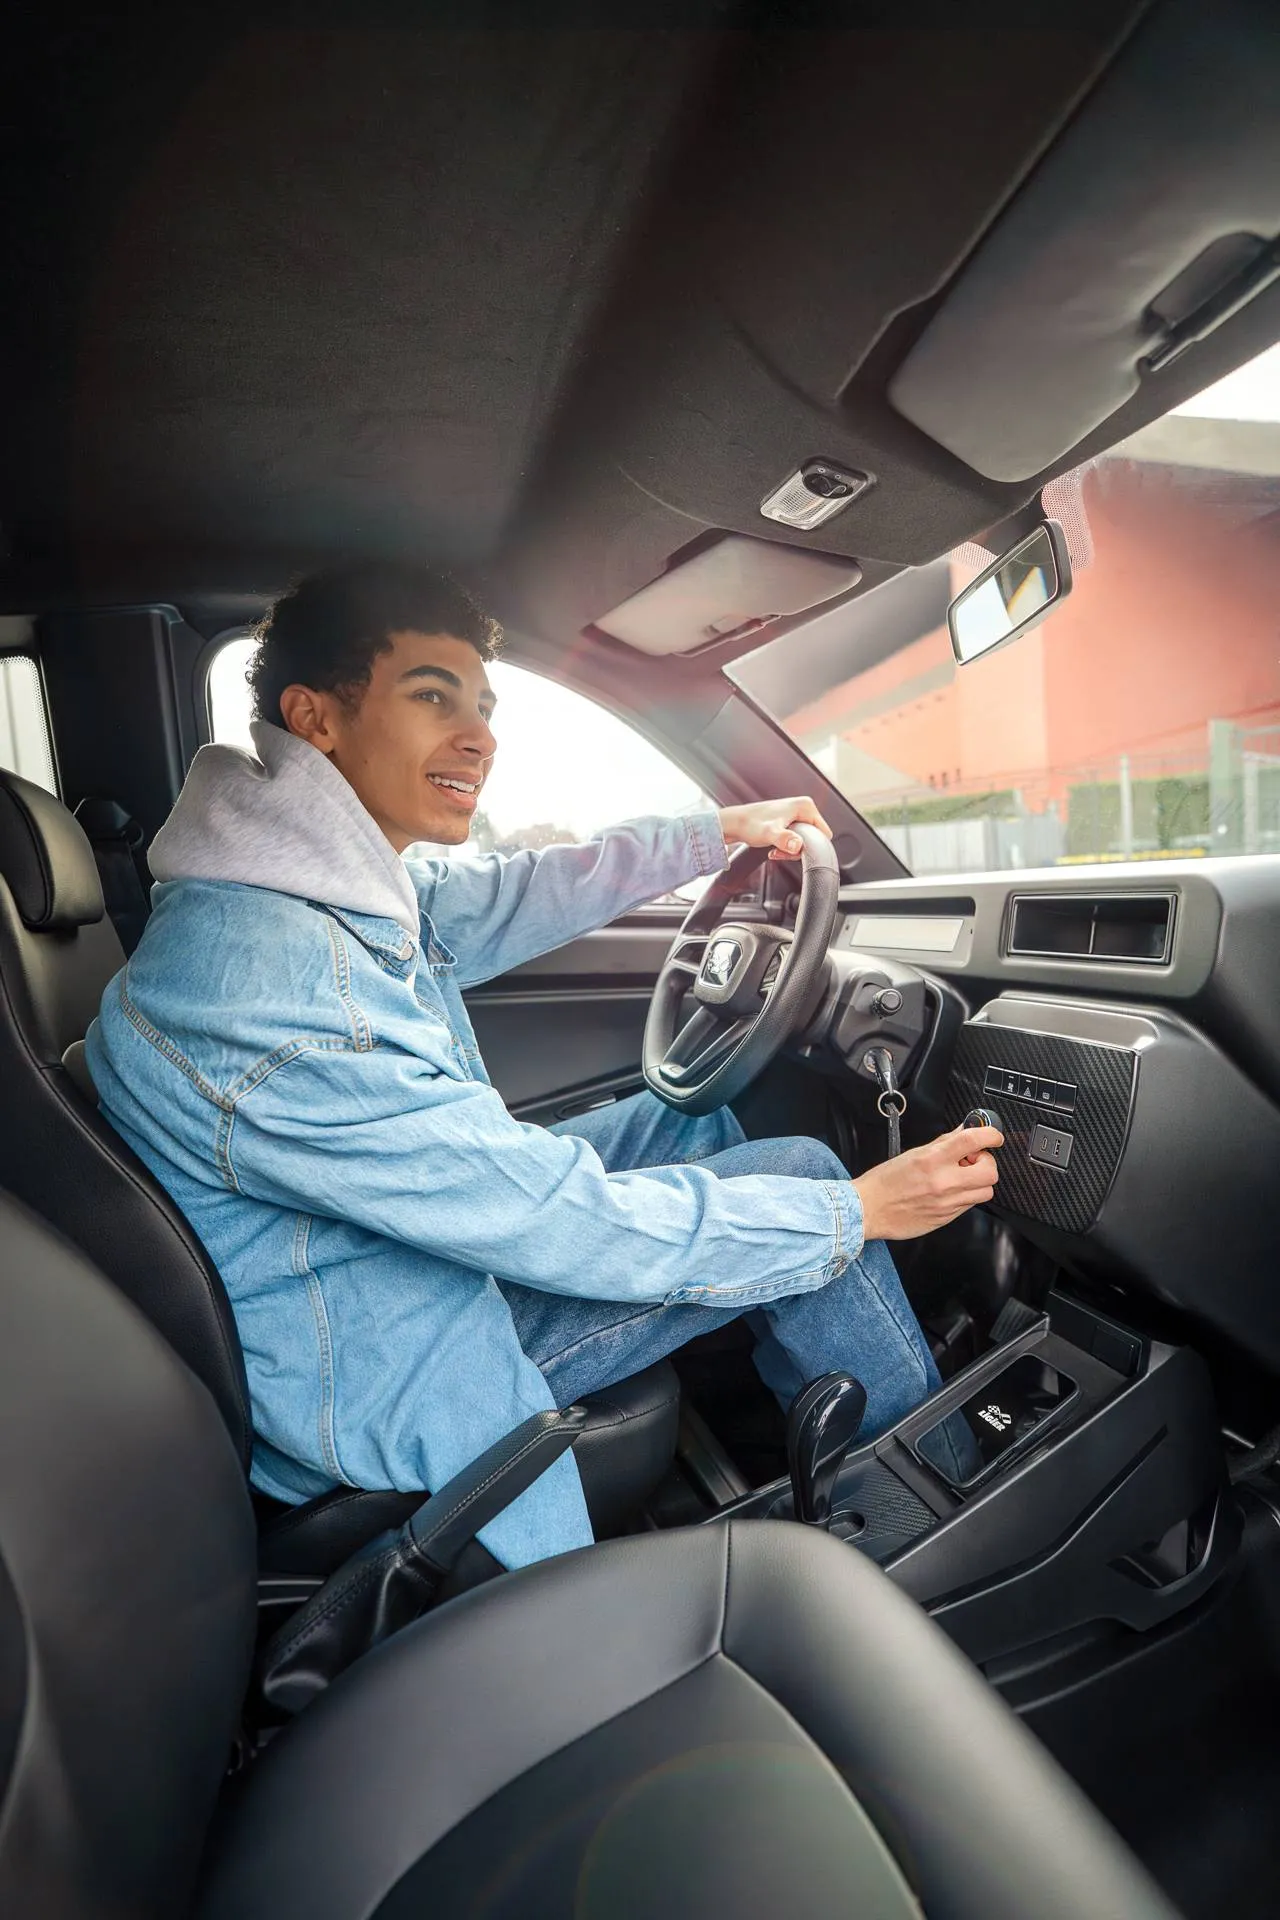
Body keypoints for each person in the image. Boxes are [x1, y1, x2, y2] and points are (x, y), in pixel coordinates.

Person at [86, 561, 1001, 1568]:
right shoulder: (285, 994)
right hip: (377, 1369)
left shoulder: (300, 889)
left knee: (690, 1124)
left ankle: (850, 1433)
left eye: (483, 704)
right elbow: (548, 1222)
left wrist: (711, 834)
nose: (478, 736)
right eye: (432, 697)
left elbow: (497, 897)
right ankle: (941, 1525)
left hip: (371, 1276)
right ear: (317, 718)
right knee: (805, 1183)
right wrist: (857, 1213)